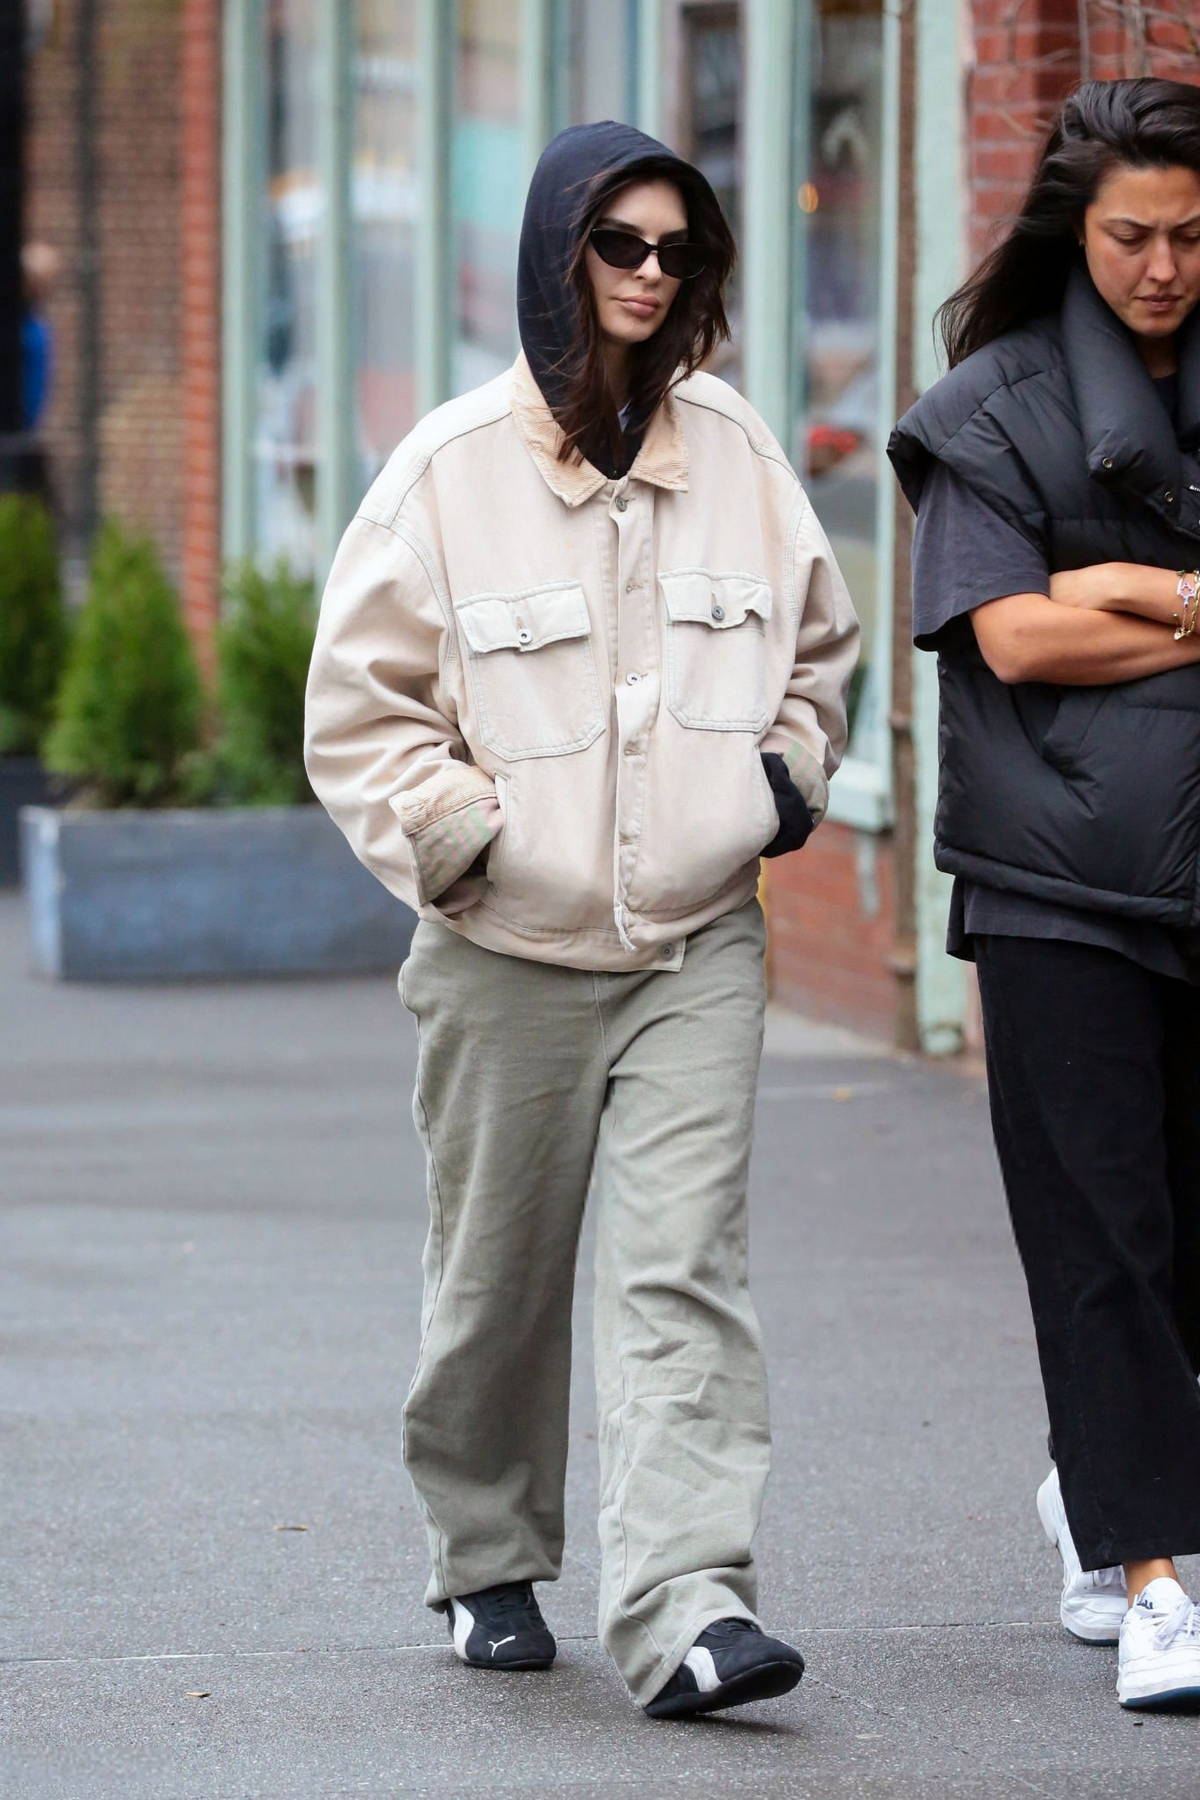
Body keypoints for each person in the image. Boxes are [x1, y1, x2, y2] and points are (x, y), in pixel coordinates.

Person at [305, 121, 858, 1719]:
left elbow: (819, 652)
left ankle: (690, 1604)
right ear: (561, 254)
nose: (649, 274)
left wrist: (786, 781)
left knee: (682, 1267)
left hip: (698, 942)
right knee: (498, 1281)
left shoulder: (741, 456)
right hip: (502, 957)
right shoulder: (447, 474)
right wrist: (464, 844)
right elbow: (361, 713)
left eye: (678, 250)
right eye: (620, 244)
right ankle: (486, 1552)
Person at [889, 78, 1200, 1712]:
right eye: (1134, 235)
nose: (1164, 266)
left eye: (1193, 236)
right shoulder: (991, 409)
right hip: (1057, 886)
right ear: (1075, 233)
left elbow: (1075, 614)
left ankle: (1100, 1482)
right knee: (1102, 1234)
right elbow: (1010, 636)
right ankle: (1156, 1575)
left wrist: (1135, 590)